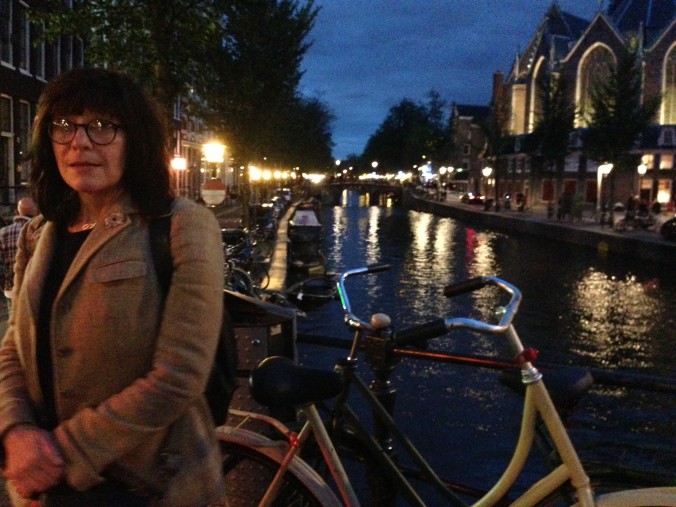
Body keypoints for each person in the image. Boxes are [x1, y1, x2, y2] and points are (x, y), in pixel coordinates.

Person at [0, 68, 225, 506]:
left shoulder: (182, 225)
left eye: (101, 127)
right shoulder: (37, 234)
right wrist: (15, 428)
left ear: (134, 139)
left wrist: (60, 452)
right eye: (64, 126)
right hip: (45, 491)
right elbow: (13, 345)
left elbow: (179, 376)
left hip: (148, 486)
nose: (79, 142)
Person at [0, 198, 38, 314]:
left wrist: (5, 285)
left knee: (15, 325)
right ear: (36, 213)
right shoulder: (41, 231)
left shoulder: (2, 233)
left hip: (11, 289)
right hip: (35, 289)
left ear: (17, 212)